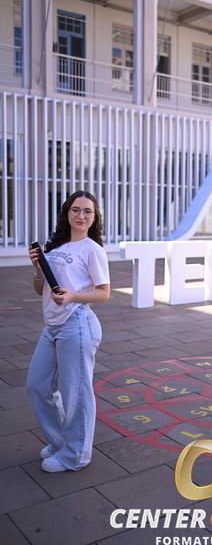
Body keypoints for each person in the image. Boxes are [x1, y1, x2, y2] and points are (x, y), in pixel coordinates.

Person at [27, 191, 110, 472]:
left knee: (76, 394)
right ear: (67, 213)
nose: (81, 215)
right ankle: (60, 441)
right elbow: (40, 289)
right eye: (76, 210)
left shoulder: (92, 249)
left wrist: (74, 296)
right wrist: (38, 269)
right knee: (37, 386)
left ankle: (76, 455)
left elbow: (104, 293)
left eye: (87, 211)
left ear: (94, 217)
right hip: (51, 326)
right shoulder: (55, 247)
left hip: (77, 324)